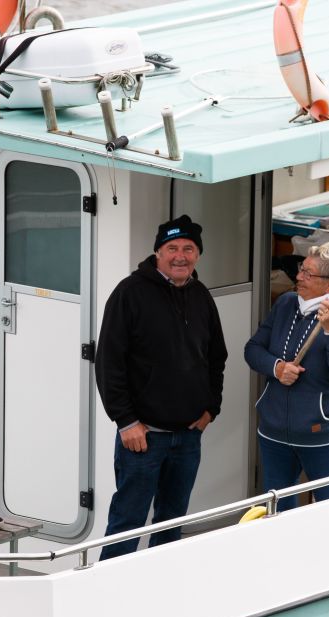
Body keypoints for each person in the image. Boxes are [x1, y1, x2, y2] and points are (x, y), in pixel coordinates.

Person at [95, 214, 228, 560]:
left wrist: (211, 408)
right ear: (157, 253)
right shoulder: (129, 294)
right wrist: (126, 421)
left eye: (188, 248)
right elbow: (109, 362)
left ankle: (158, 591)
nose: (180, 256)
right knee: (127, 523)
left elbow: (217, 357)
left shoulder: (201, 296)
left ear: (198, 254)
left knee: (171, 523)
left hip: (187, 437)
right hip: (142, 439)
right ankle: (106, 593)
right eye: (172, 248)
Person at [244, 241, 329, 511]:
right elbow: (252, 350)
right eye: (301, 269)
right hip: (274, 433)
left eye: (308, 274)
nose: (298, 276)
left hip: (322, 436)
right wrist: (277, 368)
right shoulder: (286, 303)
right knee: (276, 512)